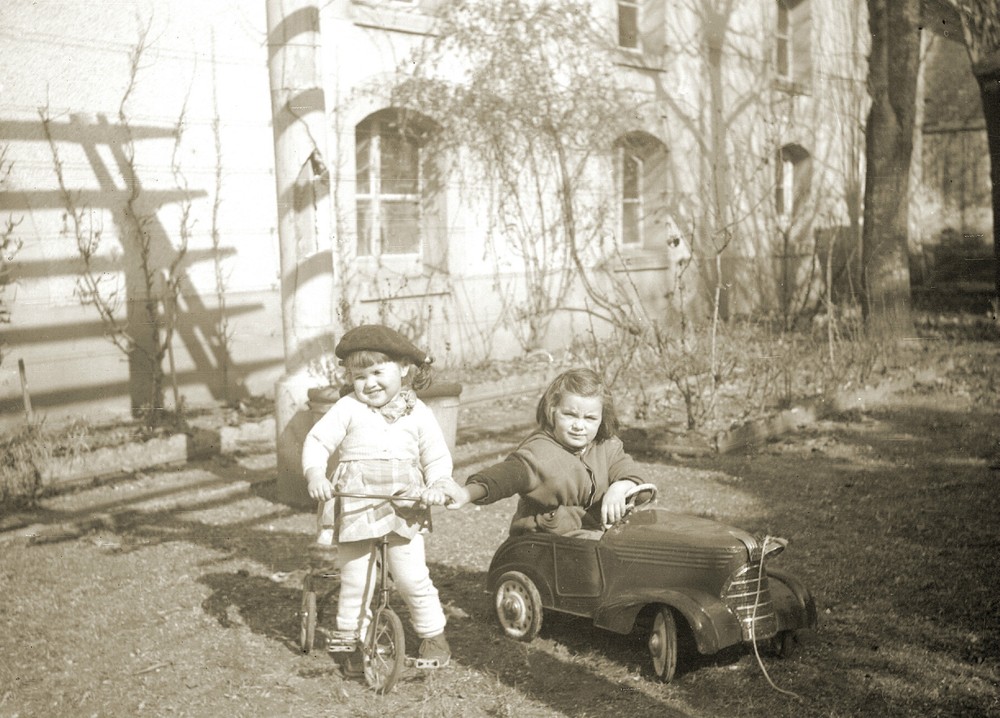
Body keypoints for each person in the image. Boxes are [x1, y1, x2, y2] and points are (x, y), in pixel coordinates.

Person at [302, 324, 458, 671]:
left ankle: (433, 635)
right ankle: (350, 640)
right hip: (357, 503)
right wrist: (315, 473)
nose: (369, 383)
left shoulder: (419, 412)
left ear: (403, 368)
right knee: (357, 580)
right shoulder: (347, 408)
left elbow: (435, 454)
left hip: (404, 505)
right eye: (359, 376)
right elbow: (318, 441)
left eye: (377, 372)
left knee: (412, 577)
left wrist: (439, 483)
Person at [445, 368, 643, 536]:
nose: (579, 426)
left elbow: (632, 475)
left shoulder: (606, 446)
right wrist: (466, 493)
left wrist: (620, 487)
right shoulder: (540, 452)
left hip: (592, 529)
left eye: (590, 418)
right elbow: (507, 476)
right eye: (570, 415)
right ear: (552, 410)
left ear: (602, 418)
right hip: (547, 535)